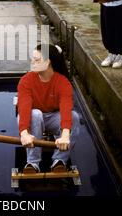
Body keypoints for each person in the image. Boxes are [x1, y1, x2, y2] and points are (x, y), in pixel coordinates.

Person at [17, 44, 79, 173]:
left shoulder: (63, 82)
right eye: (32, 59)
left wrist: (65, 135)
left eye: (36, 59)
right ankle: (32, 162)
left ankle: (60, 160)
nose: (32, 62)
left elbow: (66, 109)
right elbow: (24, 108)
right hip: (32, 118)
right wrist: (24, 133)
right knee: (35, 114)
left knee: (74, 117)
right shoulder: (26, 81)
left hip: (52, 117)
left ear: (48, 62)